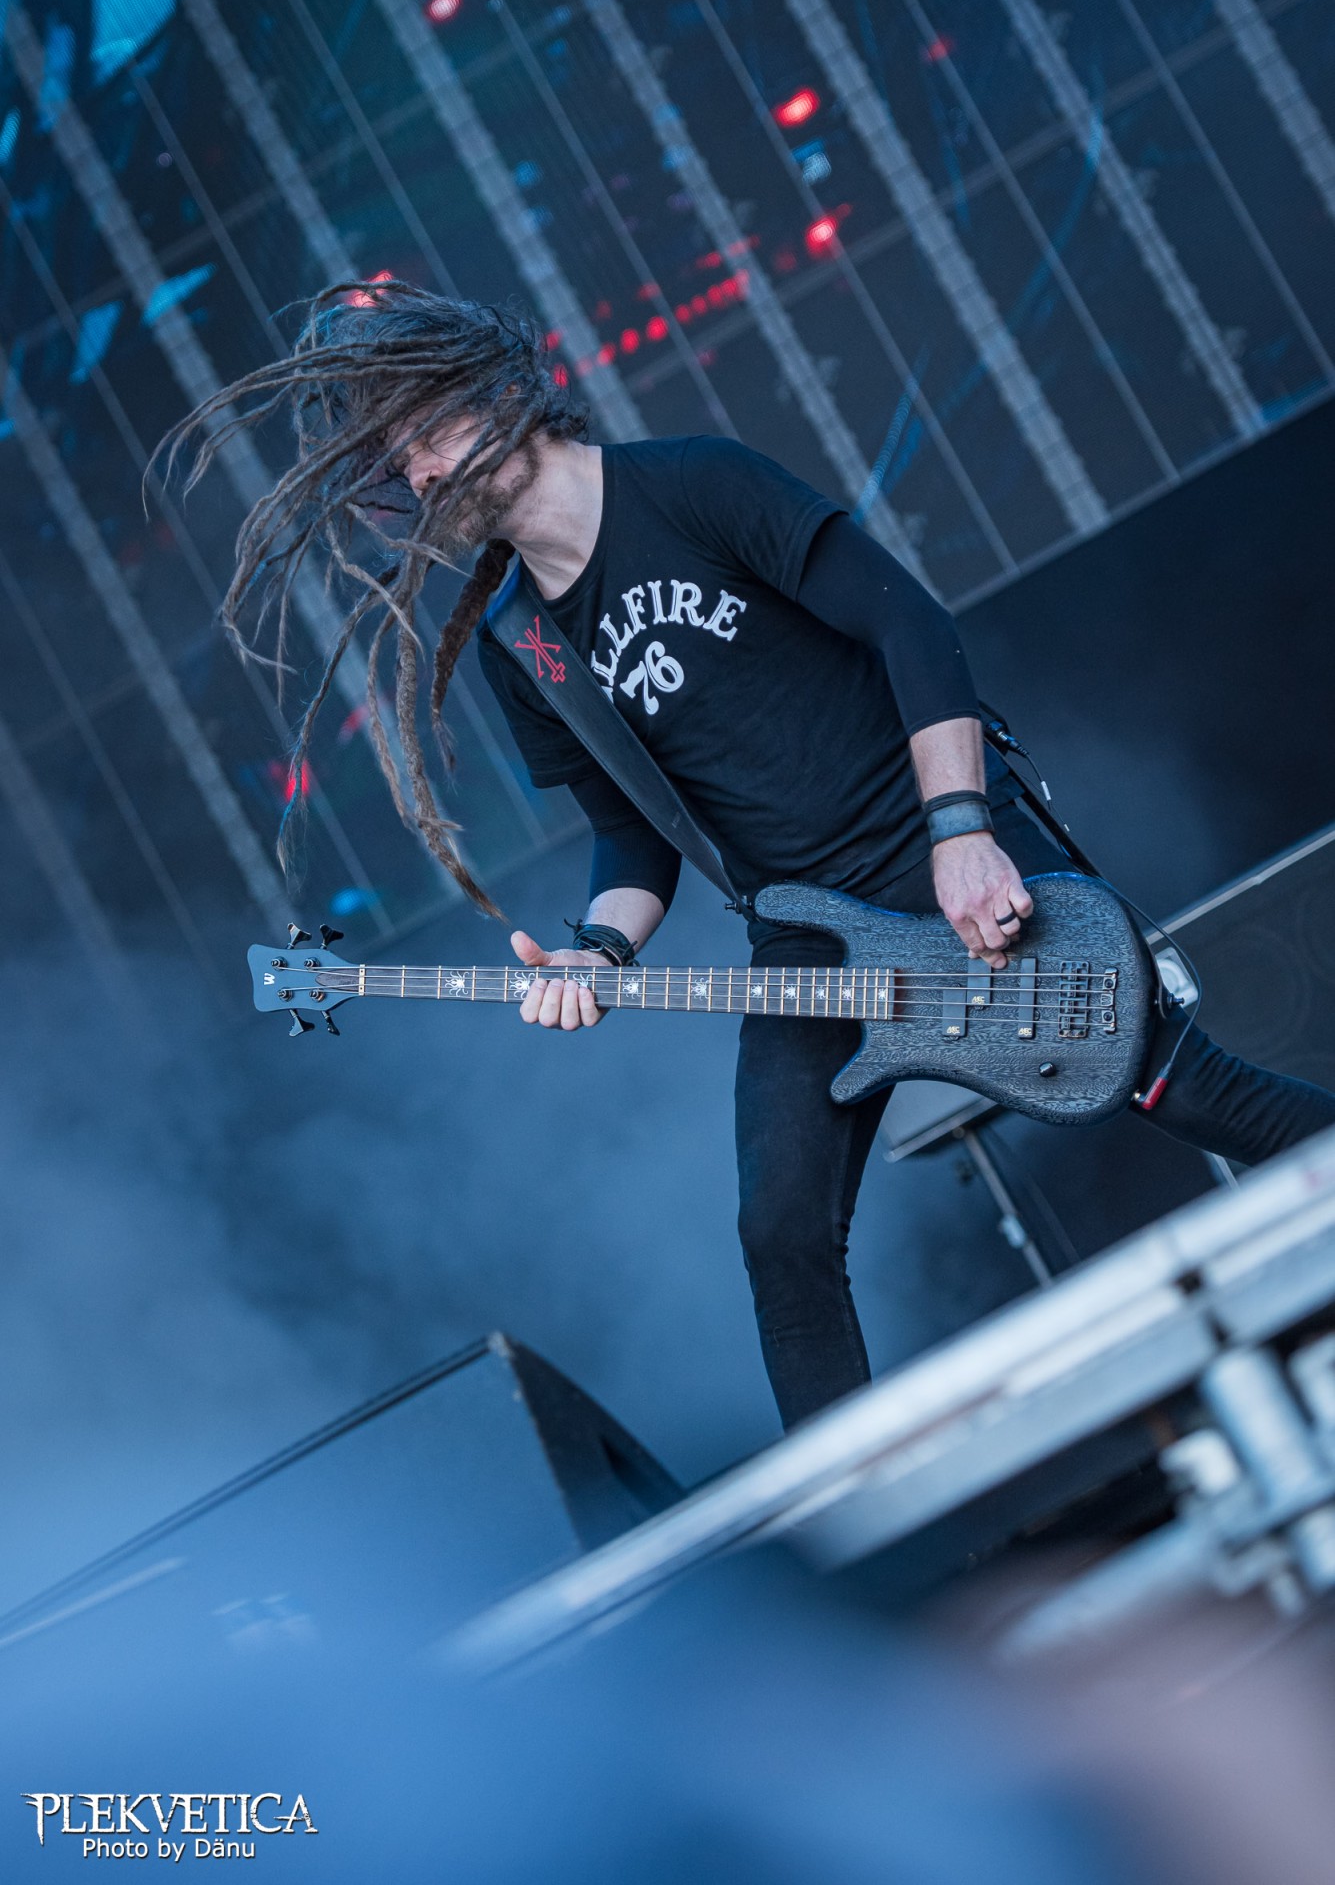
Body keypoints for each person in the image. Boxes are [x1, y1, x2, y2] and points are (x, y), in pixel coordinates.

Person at [167, 282, 1335, 1430]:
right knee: (780, 1237)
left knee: (1182, 1085)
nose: (422, 473)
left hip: (934, 840)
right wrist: (595, 951)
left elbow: (909, 623)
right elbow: (633, 839)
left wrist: (963, 832)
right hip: (804, 933)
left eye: (427, 431)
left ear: (497, 387)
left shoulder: (695, 483)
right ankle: (871, 1513)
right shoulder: (519, 645)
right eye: (400, 462)